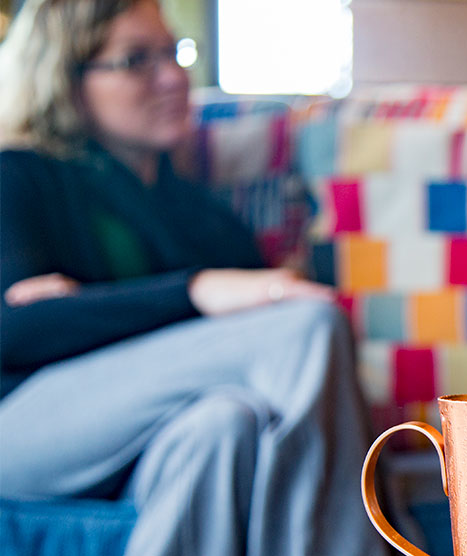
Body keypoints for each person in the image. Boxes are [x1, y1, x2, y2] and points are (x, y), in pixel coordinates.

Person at [0, 1, 385, 555]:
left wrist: (88, 308)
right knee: (309, 326)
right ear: (65, 78)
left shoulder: (203, 218)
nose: (173, 78)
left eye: (173, 53)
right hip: (25, 432)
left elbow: (245, 351)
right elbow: (15, 330)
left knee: (224, 425)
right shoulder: (21, 176)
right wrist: (198, 292)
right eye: (136, 60)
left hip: (151, 441)